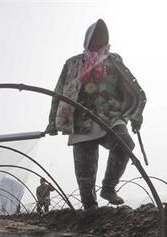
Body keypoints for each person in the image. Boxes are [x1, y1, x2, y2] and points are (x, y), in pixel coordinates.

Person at [46, 19, 146, 210]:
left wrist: (136, 115)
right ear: (87, 40)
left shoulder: (113, 60)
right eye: (95, 38)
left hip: (110, 115)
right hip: (80, 119)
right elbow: (58, 92)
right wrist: (52, 122)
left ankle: (108, 188)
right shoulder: (73, 63)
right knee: (85, 171)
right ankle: (90, 208)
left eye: (102, 38)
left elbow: (129, 87)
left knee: (125, 143)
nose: (98, 42)